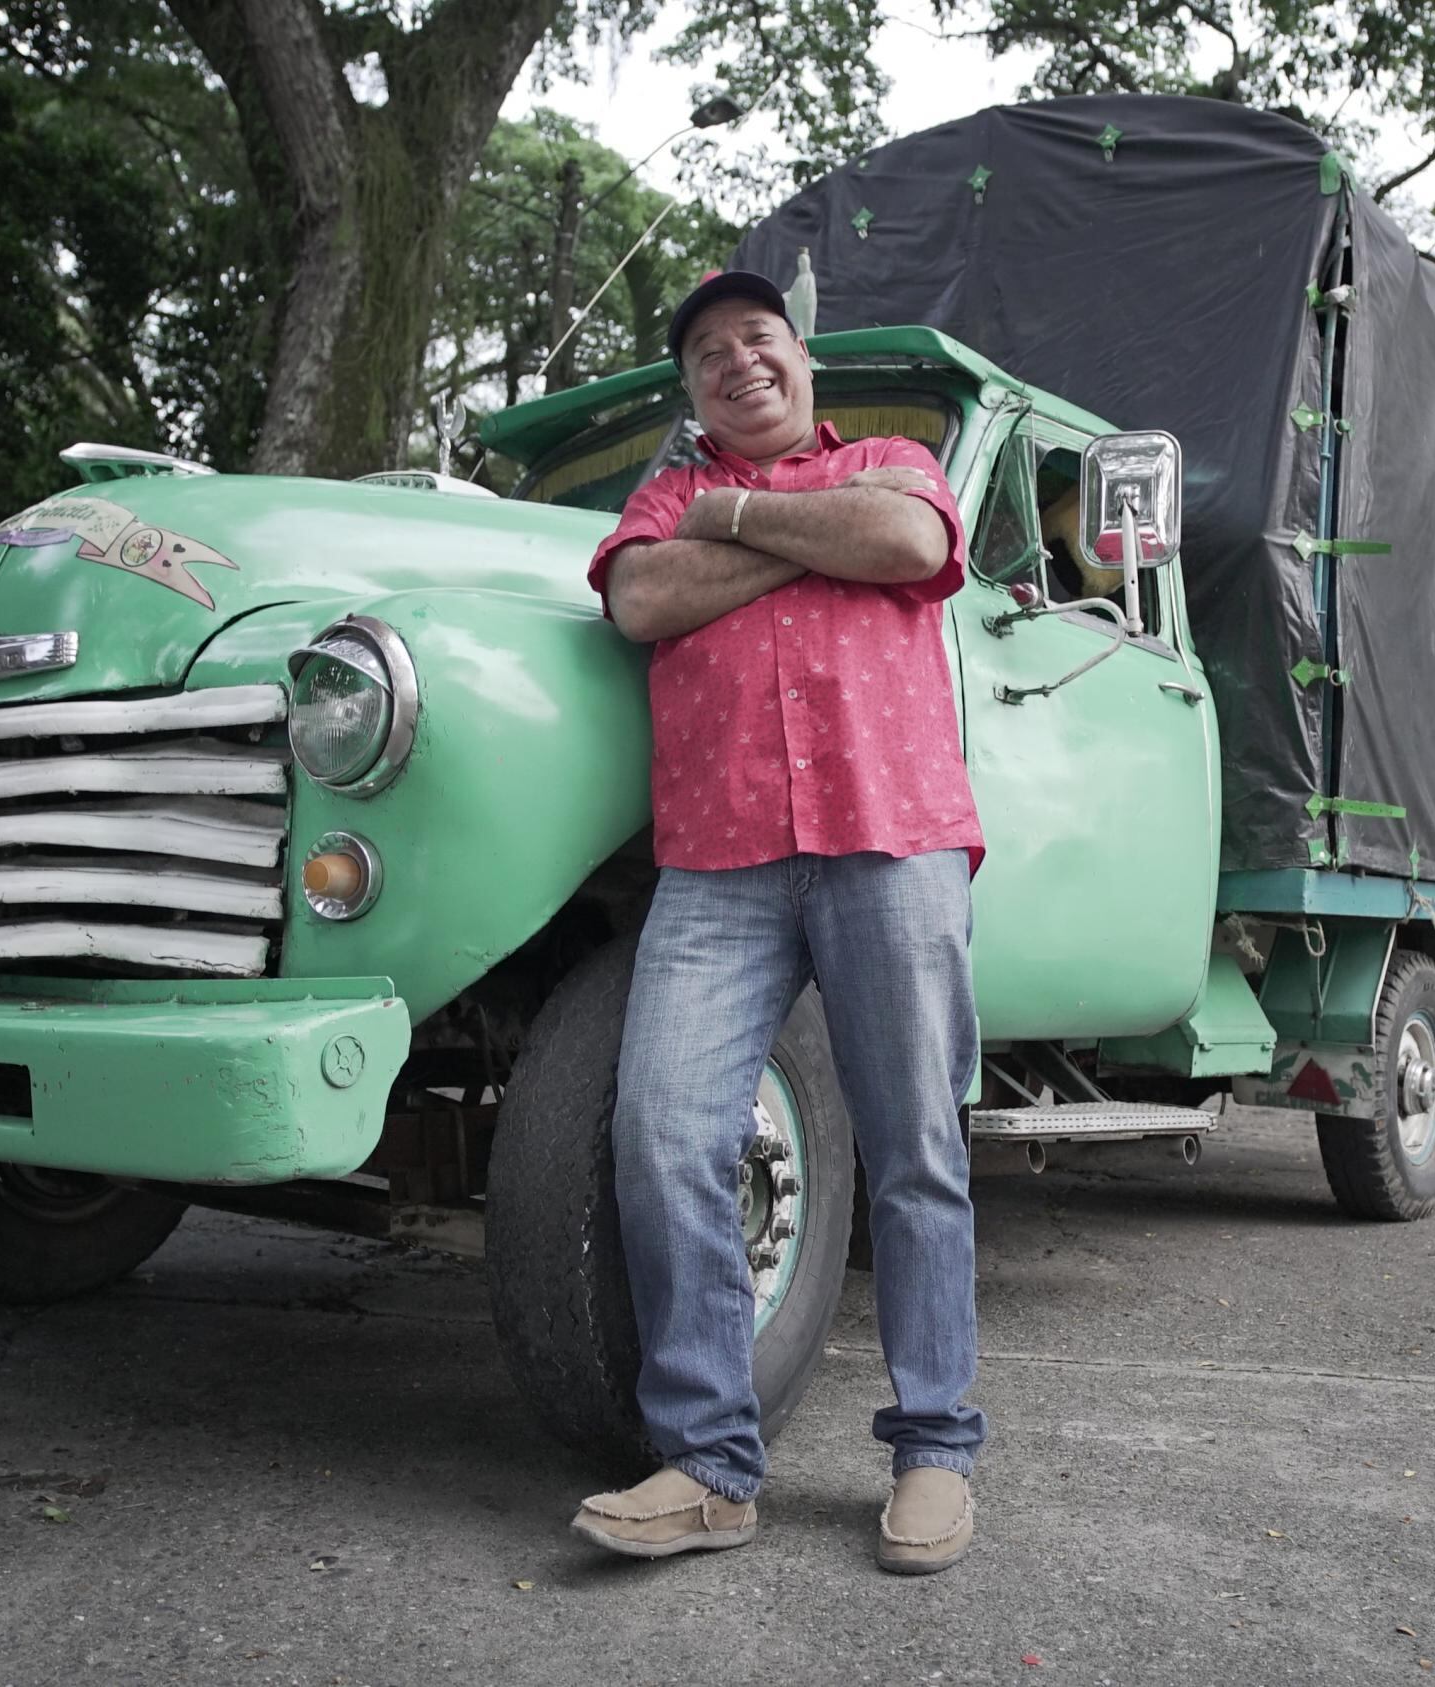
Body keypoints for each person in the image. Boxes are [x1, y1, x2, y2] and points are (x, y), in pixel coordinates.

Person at [566, 270, 988, 1576]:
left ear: (801, 361)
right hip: (718, 862)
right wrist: (809, 528)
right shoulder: (657, 504)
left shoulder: (890, 459)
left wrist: (740, 515)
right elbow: (642, 599)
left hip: (890, 835)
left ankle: (933, 1449)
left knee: (915, 1151)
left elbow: (910, 548)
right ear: (690, 394)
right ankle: (706, 1466)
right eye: (704, 353)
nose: (734, 359)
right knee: (667, 1131)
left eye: (757, 338)